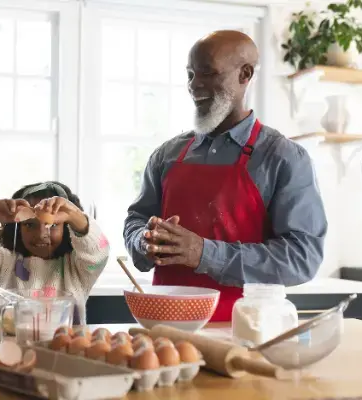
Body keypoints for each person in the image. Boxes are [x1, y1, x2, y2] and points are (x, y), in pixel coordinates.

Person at [123, 30, 328, 322]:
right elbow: (136, 219)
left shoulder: (282, 158)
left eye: (207, 72)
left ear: (245, 74)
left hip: (248, 330)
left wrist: (204, 254)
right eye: (191, 74)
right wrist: (143, 242)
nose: (195, 85)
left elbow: (302, 258)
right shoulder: (166, 155)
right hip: (166, 328)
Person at [0, 181, 110, 325]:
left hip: (65, 349)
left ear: (67, 228)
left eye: (52, 224)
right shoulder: (5, 263)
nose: (41, 234)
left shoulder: (78, 269)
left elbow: (97, 252)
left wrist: (75, 215)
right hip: (10, 349)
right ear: (17, 227)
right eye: (30, 224)